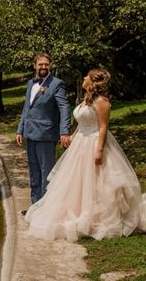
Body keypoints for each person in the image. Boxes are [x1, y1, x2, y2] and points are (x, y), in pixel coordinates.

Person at [25, 69, 146, 241]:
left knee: (97, 181)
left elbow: (103, 127)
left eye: (86, 76)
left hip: (94, 142)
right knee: (78, 181)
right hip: (81, 142)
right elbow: (82, 123)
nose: (83, 78)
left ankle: (99, 217)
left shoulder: (101, 102)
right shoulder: (87, 99)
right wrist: (73, 137)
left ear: (93, 81)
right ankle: (80, 210)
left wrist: (99, 150)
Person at [16, 53, 71, 206]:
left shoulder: (56, 84)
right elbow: (27, 108)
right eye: (40, 64)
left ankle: (46, 209)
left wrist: (64, 131)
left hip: (46, 135)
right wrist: (20, 130)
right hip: (30, 134)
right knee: (34, 173)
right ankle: (35, 206)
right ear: (35, 65)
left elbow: (64, 107)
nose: (43, 67)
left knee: (46, 174)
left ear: (50, 65)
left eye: (46, 64)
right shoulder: (30, 83)